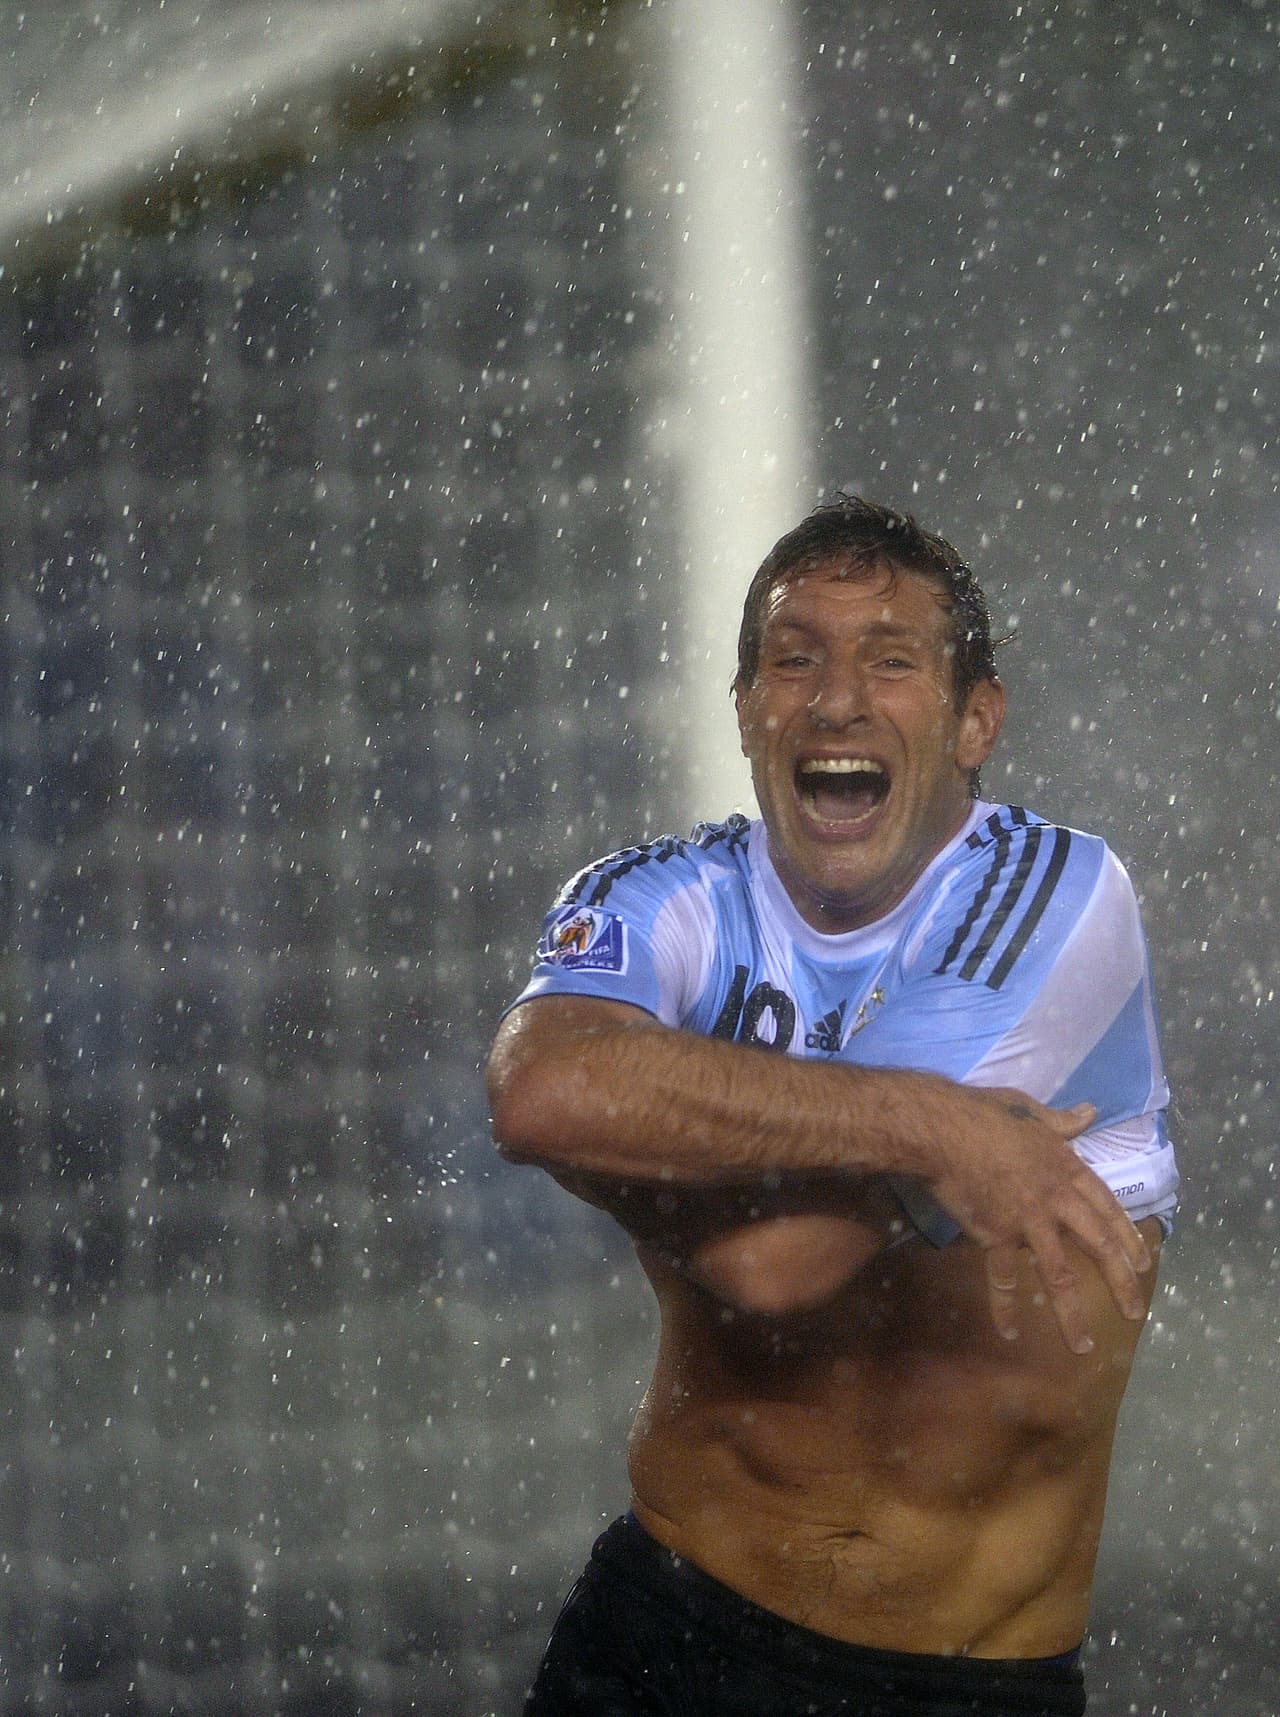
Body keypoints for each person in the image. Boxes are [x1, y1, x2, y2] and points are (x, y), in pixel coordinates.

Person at [486, 495, 1177, 1717]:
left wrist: (633, 1134)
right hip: (658, 1633)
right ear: (748, 709)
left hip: (953, 1683)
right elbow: (535, 1087)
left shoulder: (1053, 897)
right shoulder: (657, 895)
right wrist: (933, 1123)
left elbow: (780, 1266)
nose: (836, 698)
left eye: (890, 660)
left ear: (975, 721)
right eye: (791, 658)